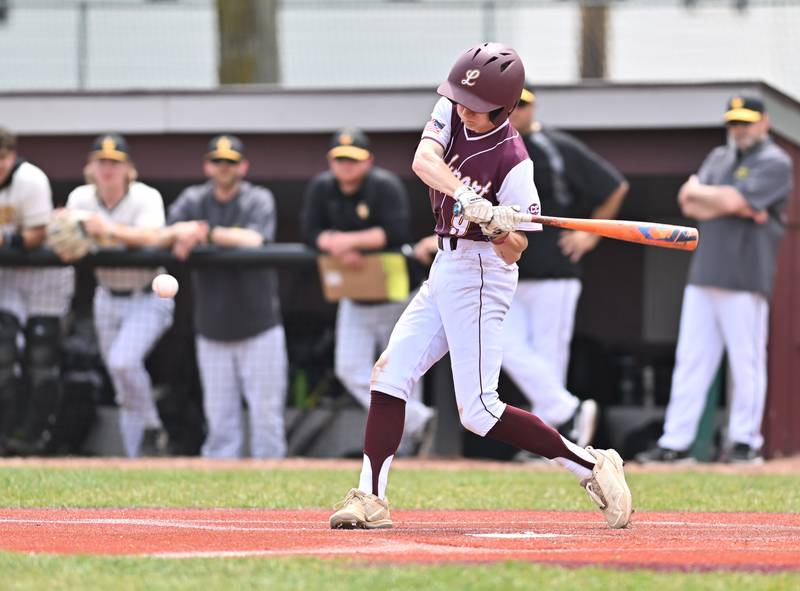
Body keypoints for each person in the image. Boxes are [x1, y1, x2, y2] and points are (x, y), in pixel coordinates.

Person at [329, 42, 632, 530]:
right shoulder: (452, 107)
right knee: (389, 373)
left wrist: (495, 225)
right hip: (445, 265)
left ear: (506, 108)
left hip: (483, 273)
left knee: (480, 411)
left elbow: (516, 249)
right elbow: (424, 162)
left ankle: (591, 465)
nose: (466, 111)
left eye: (479, 107)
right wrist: (468, 196)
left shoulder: (516, 164)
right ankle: (371, 497)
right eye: (462, 101)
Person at [636, 95, 793, 465]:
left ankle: (744, 442)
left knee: (746, 360)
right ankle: (675, 442)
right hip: (704, 272)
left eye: (746, 122)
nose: (739, 130)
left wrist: (723, 199)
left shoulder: (775, 161)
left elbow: (733, 201)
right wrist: (724, 201)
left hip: (745, 276)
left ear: (764, 123)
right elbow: (687, 202)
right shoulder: (718, 157)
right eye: (733, 123)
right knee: (691, 358)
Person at [504, 88, 629, 450]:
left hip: (555, 271)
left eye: (521, 105)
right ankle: (567, 413)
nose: (514, 112)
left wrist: (588, 236)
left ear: (533, 107)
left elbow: (614, 186)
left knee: (549, 356)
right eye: (509, 106)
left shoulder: (554, 146)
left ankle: (552, 440)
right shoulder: (493, 150)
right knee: (501, 347)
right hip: (509, 270)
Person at [300, 128, 435, 453]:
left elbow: (395, 231)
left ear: (368, 161)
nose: (346, 166)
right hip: (355, 296)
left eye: (353, 160)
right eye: (340, 159)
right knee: (349, 368)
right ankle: (417, 420)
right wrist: (333, 244)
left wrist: (345, 241)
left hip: (397, 293)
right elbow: (309, 232)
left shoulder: (383, 186)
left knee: (402, 368)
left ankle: (406, 446)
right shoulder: (322, 188)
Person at [161, 134, 288, 458]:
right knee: (219, 423)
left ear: (242, 166)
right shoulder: (194, 199)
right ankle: (219, 504)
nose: (223, 168)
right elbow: (165, 233)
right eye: (217, 162)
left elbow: (255, 240)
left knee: (266, 418)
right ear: (207, 165)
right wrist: (181, 233)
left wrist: (207, 233)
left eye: (230, 162)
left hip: (260, 327)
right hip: (212, 330)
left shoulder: (257, 198)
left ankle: (277, 499)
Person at [62, 133, 173, 457]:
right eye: (101, 162)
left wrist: (106, 229)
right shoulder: (80, 198)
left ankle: (153, 425)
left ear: (128, 169)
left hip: (148, 293)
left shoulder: (145, 196)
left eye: (115, 162)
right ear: (91, 168)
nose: (108, 169)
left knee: (123, 363)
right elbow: (68, 247)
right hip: (107, 296)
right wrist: (64, 233)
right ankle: (136, 459)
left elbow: (154, 237)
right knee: (122, 385)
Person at [0, 127, 74, 454]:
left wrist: (5, 239)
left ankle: (34, 436)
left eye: (0, 158)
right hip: (9, 277)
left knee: (41, 359)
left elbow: (36, 236)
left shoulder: (31, 179)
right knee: (3, 353)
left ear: (11, 155)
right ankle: (8, 432)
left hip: (45, 276)